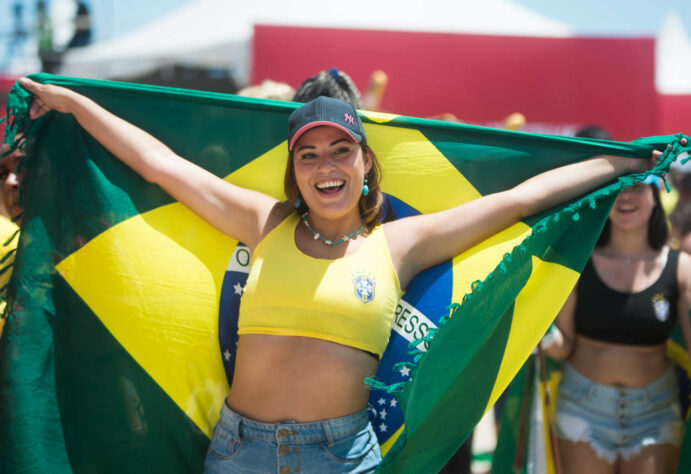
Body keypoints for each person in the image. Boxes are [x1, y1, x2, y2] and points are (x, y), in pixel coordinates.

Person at [19, 76, 675, 473]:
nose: (323, 164)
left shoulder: (400, 243)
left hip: (342, 457)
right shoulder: (264, 221)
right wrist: (75, 106)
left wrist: (619, 163)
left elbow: (518, 201)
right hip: (237, 453)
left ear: (364, 163)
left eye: (340, 149)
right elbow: (163, 167)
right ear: (294, 171)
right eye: (307, 154)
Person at [545, 177, 691, 474]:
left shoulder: (682, 268)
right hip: (581, 408)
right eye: (619, 187)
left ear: (655, 195)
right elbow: (564, 347)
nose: (627, 196)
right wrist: (537, 333)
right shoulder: (579, 261)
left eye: (638, 187)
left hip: (656, 411)